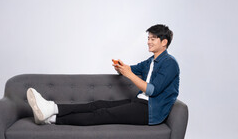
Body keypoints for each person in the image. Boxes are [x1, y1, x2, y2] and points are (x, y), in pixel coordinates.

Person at [26, 24, 179, 126]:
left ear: (164, 42)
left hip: (151, 112)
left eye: (153, 39)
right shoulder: (151, 61)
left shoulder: (170, 63)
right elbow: (132, 69)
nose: (148, 42)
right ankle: (52, 108)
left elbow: (153, 90)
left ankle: (51, 119)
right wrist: (122, 67)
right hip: (140, 102)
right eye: (148, 38)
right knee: (97, 104)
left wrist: (129, 75)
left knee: (103, 114)